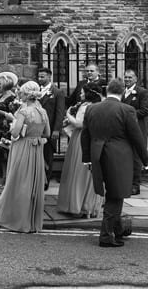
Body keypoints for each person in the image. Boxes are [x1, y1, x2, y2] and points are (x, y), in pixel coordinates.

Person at [81, 78, 148, 247]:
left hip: (97, 155)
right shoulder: (126, 109)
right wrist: (146, 162)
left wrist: (86, 159)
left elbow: (85, 135)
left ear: (107, 91)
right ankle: (106, 236)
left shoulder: (91, 108)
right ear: (122, 92)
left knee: (112, 192)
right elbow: (137, 137)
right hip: (118, 157)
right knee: (116, 195)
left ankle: (119, 230)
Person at [0, 81, 50, 233]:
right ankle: (30, 221)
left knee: (18, 182)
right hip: (36, 149)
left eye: (21, 92)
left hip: (22, 148)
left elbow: (15, 133)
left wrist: (13, 121)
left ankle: (16, 220)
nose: (19, 94)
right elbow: (47, 133)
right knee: (31, 185)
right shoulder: (43, 111)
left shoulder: (24, 112)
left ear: (27, 94)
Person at [56, 86, 102, 216]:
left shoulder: (85, 106)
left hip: (81, 138)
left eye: (81, 92)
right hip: (93, 138)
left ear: (87, 94)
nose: (80, 94)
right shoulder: (98, 105)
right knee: (89, 174)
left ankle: (77, 205)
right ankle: (89, 206)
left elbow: (78, 124)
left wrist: (68, 114)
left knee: (77, 170)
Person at [122, 69, 148, 195]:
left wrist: (129, 115)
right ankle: (125, 182)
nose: (127, 80)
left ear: (135, 79)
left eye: (130, 77)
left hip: (137, 129)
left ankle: (135, 185)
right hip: (123, 130)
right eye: (126, 77)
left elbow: (145, 110)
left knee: (136, 157)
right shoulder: (122, 92)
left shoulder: (141, 92)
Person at [38, 66, 66, 190]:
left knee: (47, 156)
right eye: (39, 76)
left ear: (49, 77)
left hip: (49, 130)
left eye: (42, 76)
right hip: (37, 129)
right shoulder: (36, 90)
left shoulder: (57, 92)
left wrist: (56, 130)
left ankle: (45, 182)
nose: (40, 79)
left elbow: (60, 113)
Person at [0, 71, 20, 187]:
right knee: (0, 153)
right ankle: (4, 176)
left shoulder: (12, 98)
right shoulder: (0, 96)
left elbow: (13, 115)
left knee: (7, 153)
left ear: (5, 84)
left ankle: (8, 178)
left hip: (7, 129)